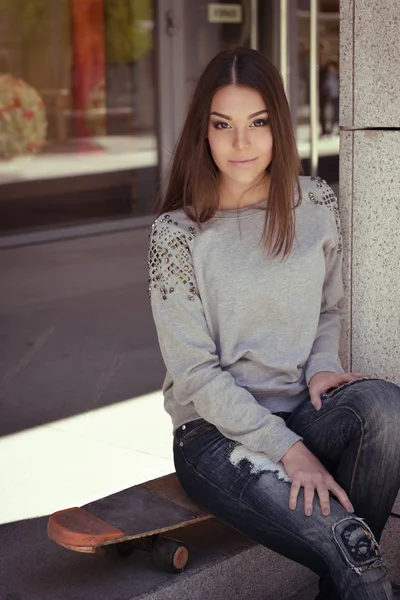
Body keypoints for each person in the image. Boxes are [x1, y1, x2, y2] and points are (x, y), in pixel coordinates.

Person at [148, 47, 400, 600]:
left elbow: (327, 310)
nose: (242, 143)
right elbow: (193, 375)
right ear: (203, 132)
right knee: (359, 557)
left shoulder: (313, 202)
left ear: (279, 126)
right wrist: (288, 450)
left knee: (386, 409)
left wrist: (322, 369)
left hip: (299, 408)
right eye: (224, 125)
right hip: (214, 436)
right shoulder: (178, 235)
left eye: (258, 123)